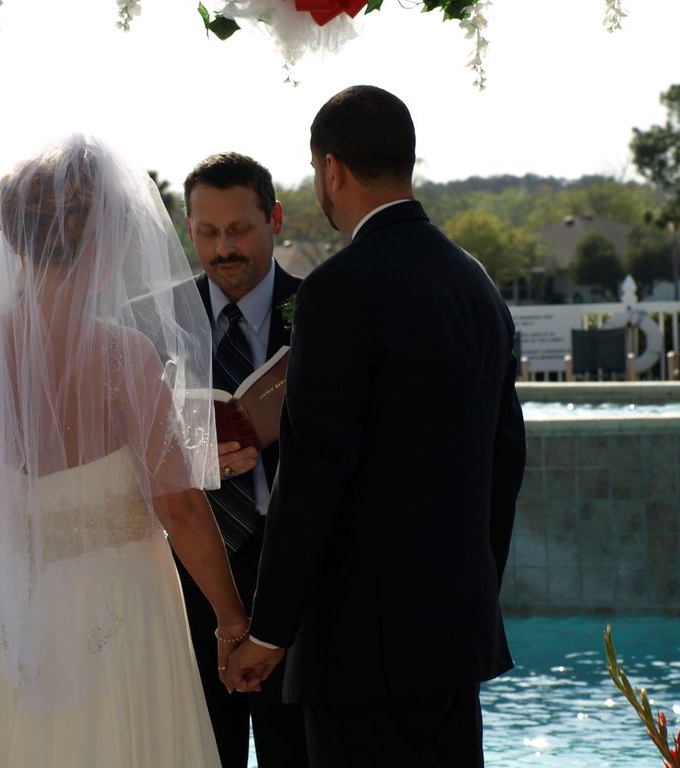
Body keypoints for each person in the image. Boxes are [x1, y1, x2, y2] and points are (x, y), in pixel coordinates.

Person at [0, 134, 249, 766]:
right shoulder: (123, 357)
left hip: (16, 607)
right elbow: (178, 506)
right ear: (98, 242)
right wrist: (233, 622)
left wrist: (25, 600)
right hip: (121, 601)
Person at [226, 85, 527, 767]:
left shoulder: (337, 289)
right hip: (459, 635)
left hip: (364, 651)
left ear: (331, 169)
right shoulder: (476, 283)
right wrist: (472, 587)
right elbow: (506, 459)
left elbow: (313, 472)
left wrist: (271, 631)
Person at [179, 152, 307, 768]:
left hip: (302, 586)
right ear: (189, 229)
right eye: (208, 232)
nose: (224, 249)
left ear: (274, 219)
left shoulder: (320, 314)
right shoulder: (156, 324)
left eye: (240, 230)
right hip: (187, 591)